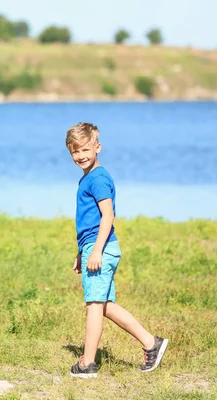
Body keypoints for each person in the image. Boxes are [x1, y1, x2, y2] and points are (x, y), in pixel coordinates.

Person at [65, 123, 167, 378]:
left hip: (101, 247)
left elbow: (108, 216)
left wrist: (96, 251)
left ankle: (87, 363)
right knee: (105, 305)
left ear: (97, 147)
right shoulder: (88, 177)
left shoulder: (98, 178)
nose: (81, 156)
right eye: (75, 152)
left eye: (86, 149)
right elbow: (89, 222)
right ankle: (151, 343)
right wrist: (82, 252)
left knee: (94, 305)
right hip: (94, 245)